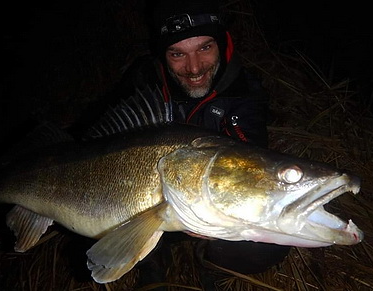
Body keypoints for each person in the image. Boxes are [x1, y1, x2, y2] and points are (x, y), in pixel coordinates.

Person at [73, 0, 290, 288]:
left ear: (223, 43)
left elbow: (250, 154)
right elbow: (102, 139)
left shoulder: (245, 91)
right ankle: (153, 262)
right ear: (162, 54)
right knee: (104, 212)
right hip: (144, 201)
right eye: (177, 53)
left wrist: (221, 222)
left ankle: (210, 260)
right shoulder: (143, 79)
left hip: (199, 199)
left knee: (266, 245)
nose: (194, 67)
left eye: (204, 48)